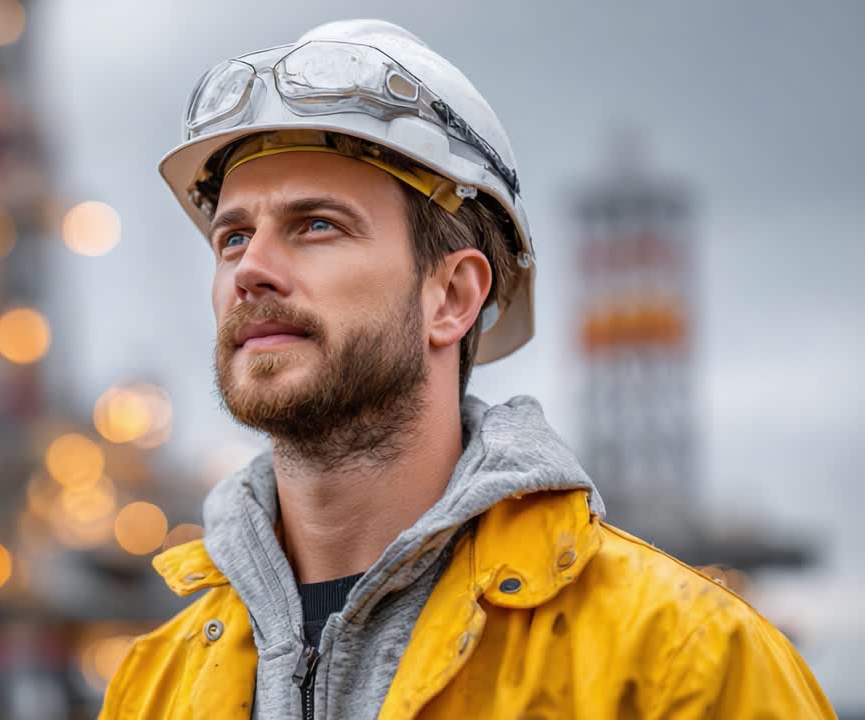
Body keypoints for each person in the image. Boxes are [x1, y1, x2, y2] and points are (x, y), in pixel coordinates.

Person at [100, 18, 833, 719]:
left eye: (316, 225)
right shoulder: (151, 687)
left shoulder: (686, 664)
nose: (251, 269)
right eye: (232, 237)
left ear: (452, 297)